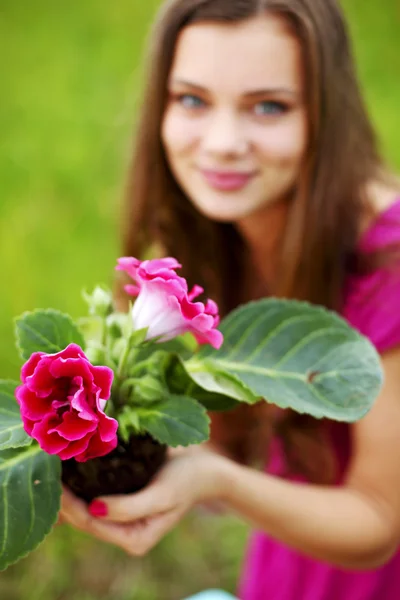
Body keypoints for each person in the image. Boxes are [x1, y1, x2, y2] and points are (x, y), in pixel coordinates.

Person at [60, 1, 400, 598]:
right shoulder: (214, 231)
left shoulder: (388, 266)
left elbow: (376, 521)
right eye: (191, 99)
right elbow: (215, 429)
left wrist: (215, 481)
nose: (220, 144)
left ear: (327, 116)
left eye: (268, 107)